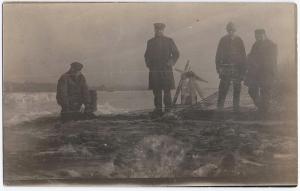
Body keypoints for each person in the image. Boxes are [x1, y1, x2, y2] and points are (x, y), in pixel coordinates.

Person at [144, 23, 180, 116]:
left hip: (165, 69)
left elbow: (176, 53)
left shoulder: (169, 41)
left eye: (160, 30)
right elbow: (146, 55)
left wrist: (170, 63)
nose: (159, 31)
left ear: (163, 30)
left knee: (167, 90)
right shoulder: (150, 42)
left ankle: (168, 110)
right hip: (154, 69)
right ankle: (158, 110)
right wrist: (149, 64)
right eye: (157, 29)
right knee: (156, 90)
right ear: (154, 30)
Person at [215, 22, 246, 112]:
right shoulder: (223, 40)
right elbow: (218, 55)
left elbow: (243, 56)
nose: (231, 32)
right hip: (225, 68)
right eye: (229, 30)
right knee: (223, 88)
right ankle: (220, 107)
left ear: (235, 30)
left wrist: (243, 71)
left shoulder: (239, 40)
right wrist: (218, 68)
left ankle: (236, 108)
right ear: (227, 30)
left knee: (237, 88)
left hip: (237, 68)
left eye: (232, 30)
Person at [244, 29, 278, 113]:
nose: (257, 38)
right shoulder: (256, 44)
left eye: (259, 36)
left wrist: (256, 62)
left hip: (267, 72)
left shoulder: (272, 45)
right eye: (256, 37)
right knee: (251, 90)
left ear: (264, 34)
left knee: (265, 92)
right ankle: (261, 107)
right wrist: (248, 58)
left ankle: (265, 111)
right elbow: (251, 55)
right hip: (256, 72)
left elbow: (271, 61)